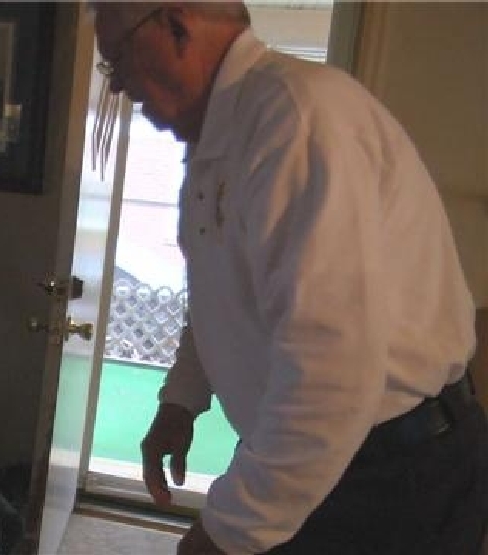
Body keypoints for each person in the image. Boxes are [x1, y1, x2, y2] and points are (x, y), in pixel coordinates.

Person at [91, 3, 488, 554]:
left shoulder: (295, 120)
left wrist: (225, 533)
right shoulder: (224, 135)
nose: (117, 86)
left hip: (388, 476)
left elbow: (330, 372)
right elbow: (221, 293)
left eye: (118, 59)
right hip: (328, 455)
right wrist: (180, 400)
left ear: (177, 27)